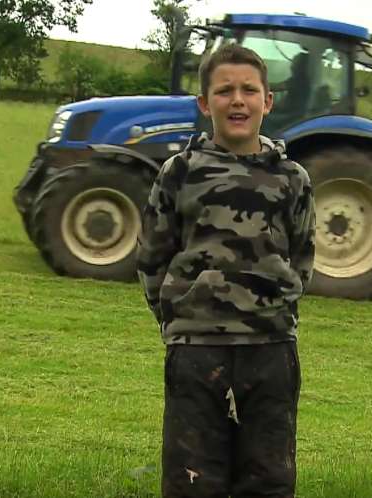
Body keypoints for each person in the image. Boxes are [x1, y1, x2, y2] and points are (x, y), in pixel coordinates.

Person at [137, 43, 316, 498]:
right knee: (192, 480)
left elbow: (303, 255)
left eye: (249, 90)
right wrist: (177, 320)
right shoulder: (179, 173)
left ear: (267, 101)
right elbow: (154, 256)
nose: (238, 100)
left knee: (268, 480)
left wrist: (276, 310)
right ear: (204, 103)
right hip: (196, 352)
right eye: (224, 91)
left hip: (270, 350)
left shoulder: (292, 178)